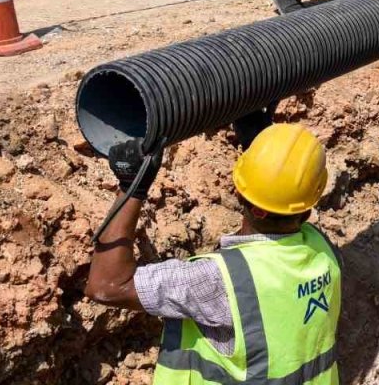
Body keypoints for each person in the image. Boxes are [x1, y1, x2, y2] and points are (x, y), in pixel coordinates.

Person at [85, 124, 341, 384]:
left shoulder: (221, 280)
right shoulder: (323, 249)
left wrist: (132, 187)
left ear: (238, 192)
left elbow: (107, 286)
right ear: (308, 208)